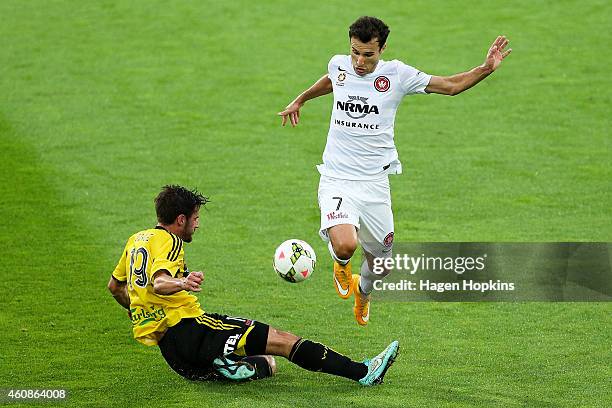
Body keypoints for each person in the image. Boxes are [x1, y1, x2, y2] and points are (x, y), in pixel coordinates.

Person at [278, 16, 511, 326]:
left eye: (368, 55)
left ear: (383, 48)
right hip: (337, 178)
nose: (359, 62)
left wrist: (485, 69)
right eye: (354, 52)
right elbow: (332, 79)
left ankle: (363, 292)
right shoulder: (339, 65)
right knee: (346, 243)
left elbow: (451, 86)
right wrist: (300, 99)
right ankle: (340, 263)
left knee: (381, 266)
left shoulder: (398, 75)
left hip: (375, 184)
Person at [108, 185, 399, 385]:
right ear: (180, 219)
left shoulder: (136, 240)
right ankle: (363, 371)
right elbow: (159, 282)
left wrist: (139, 311)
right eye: (194, 219)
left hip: (172, 354)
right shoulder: (170, 241)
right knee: (283, 341)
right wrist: (182, 281)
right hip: (191, 329)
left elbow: (116, 287)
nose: (196, 225)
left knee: (268, 364)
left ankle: (224, 366)